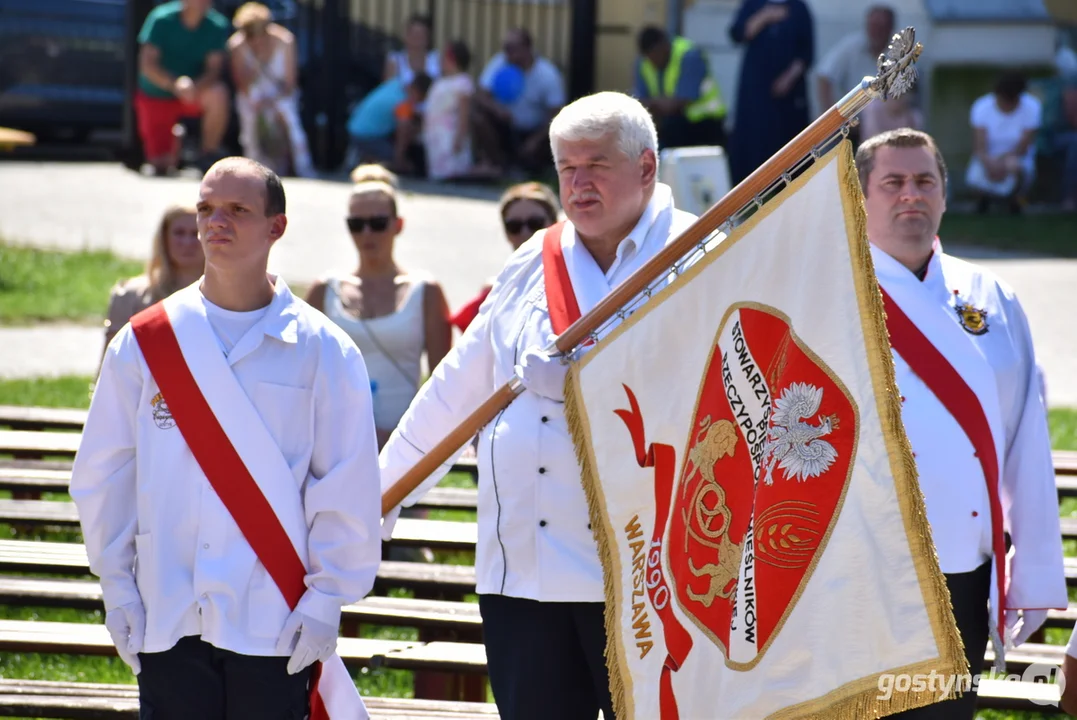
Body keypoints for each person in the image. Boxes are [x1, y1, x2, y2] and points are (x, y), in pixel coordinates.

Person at [378, 91, 697, 720]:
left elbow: (718, 406)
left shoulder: (700, 255)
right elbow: (457, 388)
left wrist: (591, 389)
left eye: (596, 165)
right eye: (566, 168)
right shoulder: (534, 258)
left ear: (646, 168)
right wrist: (381, 493)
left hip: (651, 576)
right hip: (522, 569)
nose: (578, 184)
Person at [70, 157, 381, 719]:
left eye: (238, 210)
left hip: (275, 620)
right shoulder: (144, 343)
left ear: (276, 227)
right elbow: (103, 474)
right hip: (167, 611)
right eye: (206, 208)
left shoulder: (325, 350)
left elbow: (345, 484)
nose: (215, 222)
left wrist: (328, 598)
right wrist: (116, 584)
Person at [855, 129, 1067, 718]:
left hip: (962, 573)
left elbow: (1025, 434)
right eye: (892, 183)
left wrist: (1035, 564)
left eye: (925, 182)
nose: (911, 196)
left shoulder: (991, 295)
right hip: (858, 574)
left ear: (946, 195)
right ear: (859, 197)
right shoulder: (828, 294)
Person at [305, 165, 452, 449]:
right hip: (335, 439)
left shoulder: (426, 291)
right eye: (357, 224)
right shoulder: (325, 289)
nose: (367, 233)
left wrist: (405, 437)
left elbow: (441, 383)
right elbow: (304, 376)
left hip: (404, 443)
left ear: (398, 224)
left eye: (378, 222)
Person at [134, 0, 231, 175]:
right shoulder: (161, 18)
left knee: (218, 93)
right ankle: (174, 144)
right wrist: (174, 84)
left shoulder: (217, 25)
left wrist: (193, 87)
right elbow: (147, 65)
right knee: (159, 166)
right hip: (157, 94)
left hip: (194, 93)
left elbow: (214, 69)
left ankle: (208, 154)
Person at [450, 181, 560, 334]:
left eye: (535, 223)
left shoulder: (572, 279)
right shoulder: (495, 289)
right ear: (506, 233)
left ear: (554, 224)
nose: (525, 232)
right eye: (514, 226)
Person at [727, 0, 814, 184]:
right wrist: (765, 17)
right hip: (756, 91)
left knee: (787, 144)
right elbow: (739, 34)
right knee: (753, 141)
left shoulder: (798, 7)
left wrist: (788, 78)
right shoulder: (753, 4)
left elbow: (806, 54)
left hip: (788, 95)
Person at [228, 2, 314, 178]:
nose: (256, 40)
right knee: (249, 118)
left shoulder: (285, 40)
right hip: (253, 94)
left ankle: (304, 169)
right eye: (250, 36)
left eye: (260, 34)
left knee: (290, 120)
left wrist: (271, 101)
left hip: (281, 93)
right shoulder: (236, 45)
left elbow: (290, 83)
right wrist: (255, 64)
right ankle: (251, 172)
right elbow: (242, 85)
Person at [103, 204, 204, 355]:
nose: (187, 242)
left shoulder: (228, 298)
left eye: (195, 233)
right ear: (164, 238)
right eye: (179, 233)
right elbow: (109, 366)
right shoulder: (129, 296)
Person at [472, 28, 566, 175]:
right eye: (505, 48)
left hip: (535, 131)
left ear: (527, 48)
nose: (507, 54)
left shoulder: (547, 74)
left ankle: (535, 168)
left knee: (546, 144)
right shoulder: (500, 63)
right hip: (506, 126)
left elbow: (557, 114)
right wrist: (497, 109)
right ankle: (497, 165)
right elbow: (480, 95)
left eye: (512, 49)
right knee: (478, 117)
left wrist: (536, 140)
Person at [633, 26, 727, 150]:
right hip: (671, 125)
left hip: (705, 123)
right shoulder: (643, 63)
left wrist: (654, 103)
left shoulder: (688, 55)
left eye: (656, 54)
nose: (653, 60)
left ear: (664, 45)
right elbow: (640, 103)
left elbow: (680, 102)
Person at [966, 72, 1043, 214]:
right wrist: (990, 163)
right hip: (989, 157)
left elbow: (1023, 147)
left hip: (1015, 158)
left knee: (1015, 167)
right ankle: (983, 200)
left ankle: (1015, 201)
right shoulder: (982, 107)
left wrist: (1001, 163)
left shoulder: (1032, 107)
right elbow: (979, 146)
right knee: (975, 175)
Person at [422, 40, 491, 181]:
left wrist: (460, 136)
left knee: (453, 167)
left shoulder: (462, 83)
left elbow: (463, 113)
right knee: (438, 166)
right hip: (436, 132)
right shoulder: (440, 81)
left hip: (450, 133)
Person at [815, 5, 895, 112]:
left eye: (881, 28)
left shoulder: (898, 53)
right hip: (852, 118)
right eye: (873, 27)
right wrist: (834, 116)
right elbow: (824, 75)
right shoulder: (851, 47)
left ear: (890, 29)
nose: (877, 33)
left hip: (888, 120)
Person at [383, 14, 440, 88]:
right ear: (406, 36)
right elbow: (388, 89)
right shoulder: (395, 60)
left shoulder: (436, 58)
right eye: (414, 34)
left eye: (421, 35)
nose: (417, 39)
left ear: (427, 38)